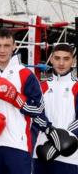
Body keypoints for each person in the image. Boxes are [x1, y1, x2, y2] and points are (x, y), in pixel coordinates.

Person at [0, 28, 46, 174]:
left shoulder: (25, 74)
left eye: (7, 45)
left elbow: (38, 109)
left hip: (17, 144)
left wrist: (16, 99)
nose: (2, 50)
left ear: (14, 46)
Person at [32, 44, 78, 174]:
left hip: (71, 157)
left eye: (66, 58)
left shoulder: (77, 86)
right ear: (51, 59)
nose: (61, 63)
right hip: (42, 152)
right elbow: (36, 115)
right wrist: (50, 134)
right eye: (57, 58)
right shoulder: (40, 87)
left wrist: (63, 142)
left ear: (73, 61)